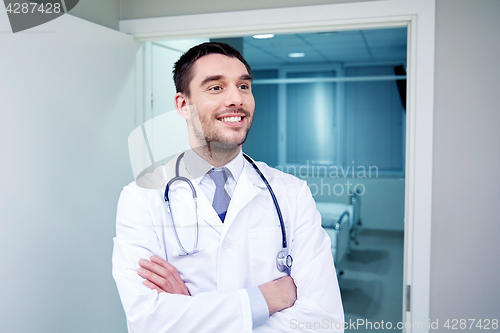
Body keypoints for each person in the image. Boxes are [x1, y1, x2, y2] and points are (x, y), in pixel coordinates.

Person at [112, 42, 344, 332]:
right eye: (216, 88)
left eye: (244, 86)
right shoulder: (141, 198)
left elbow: (324, 320)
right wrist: (268, 297)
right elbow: (148, 320)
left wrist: (192, 311)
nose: (236, 99)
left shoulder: (291, 193)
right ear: (184, 105)